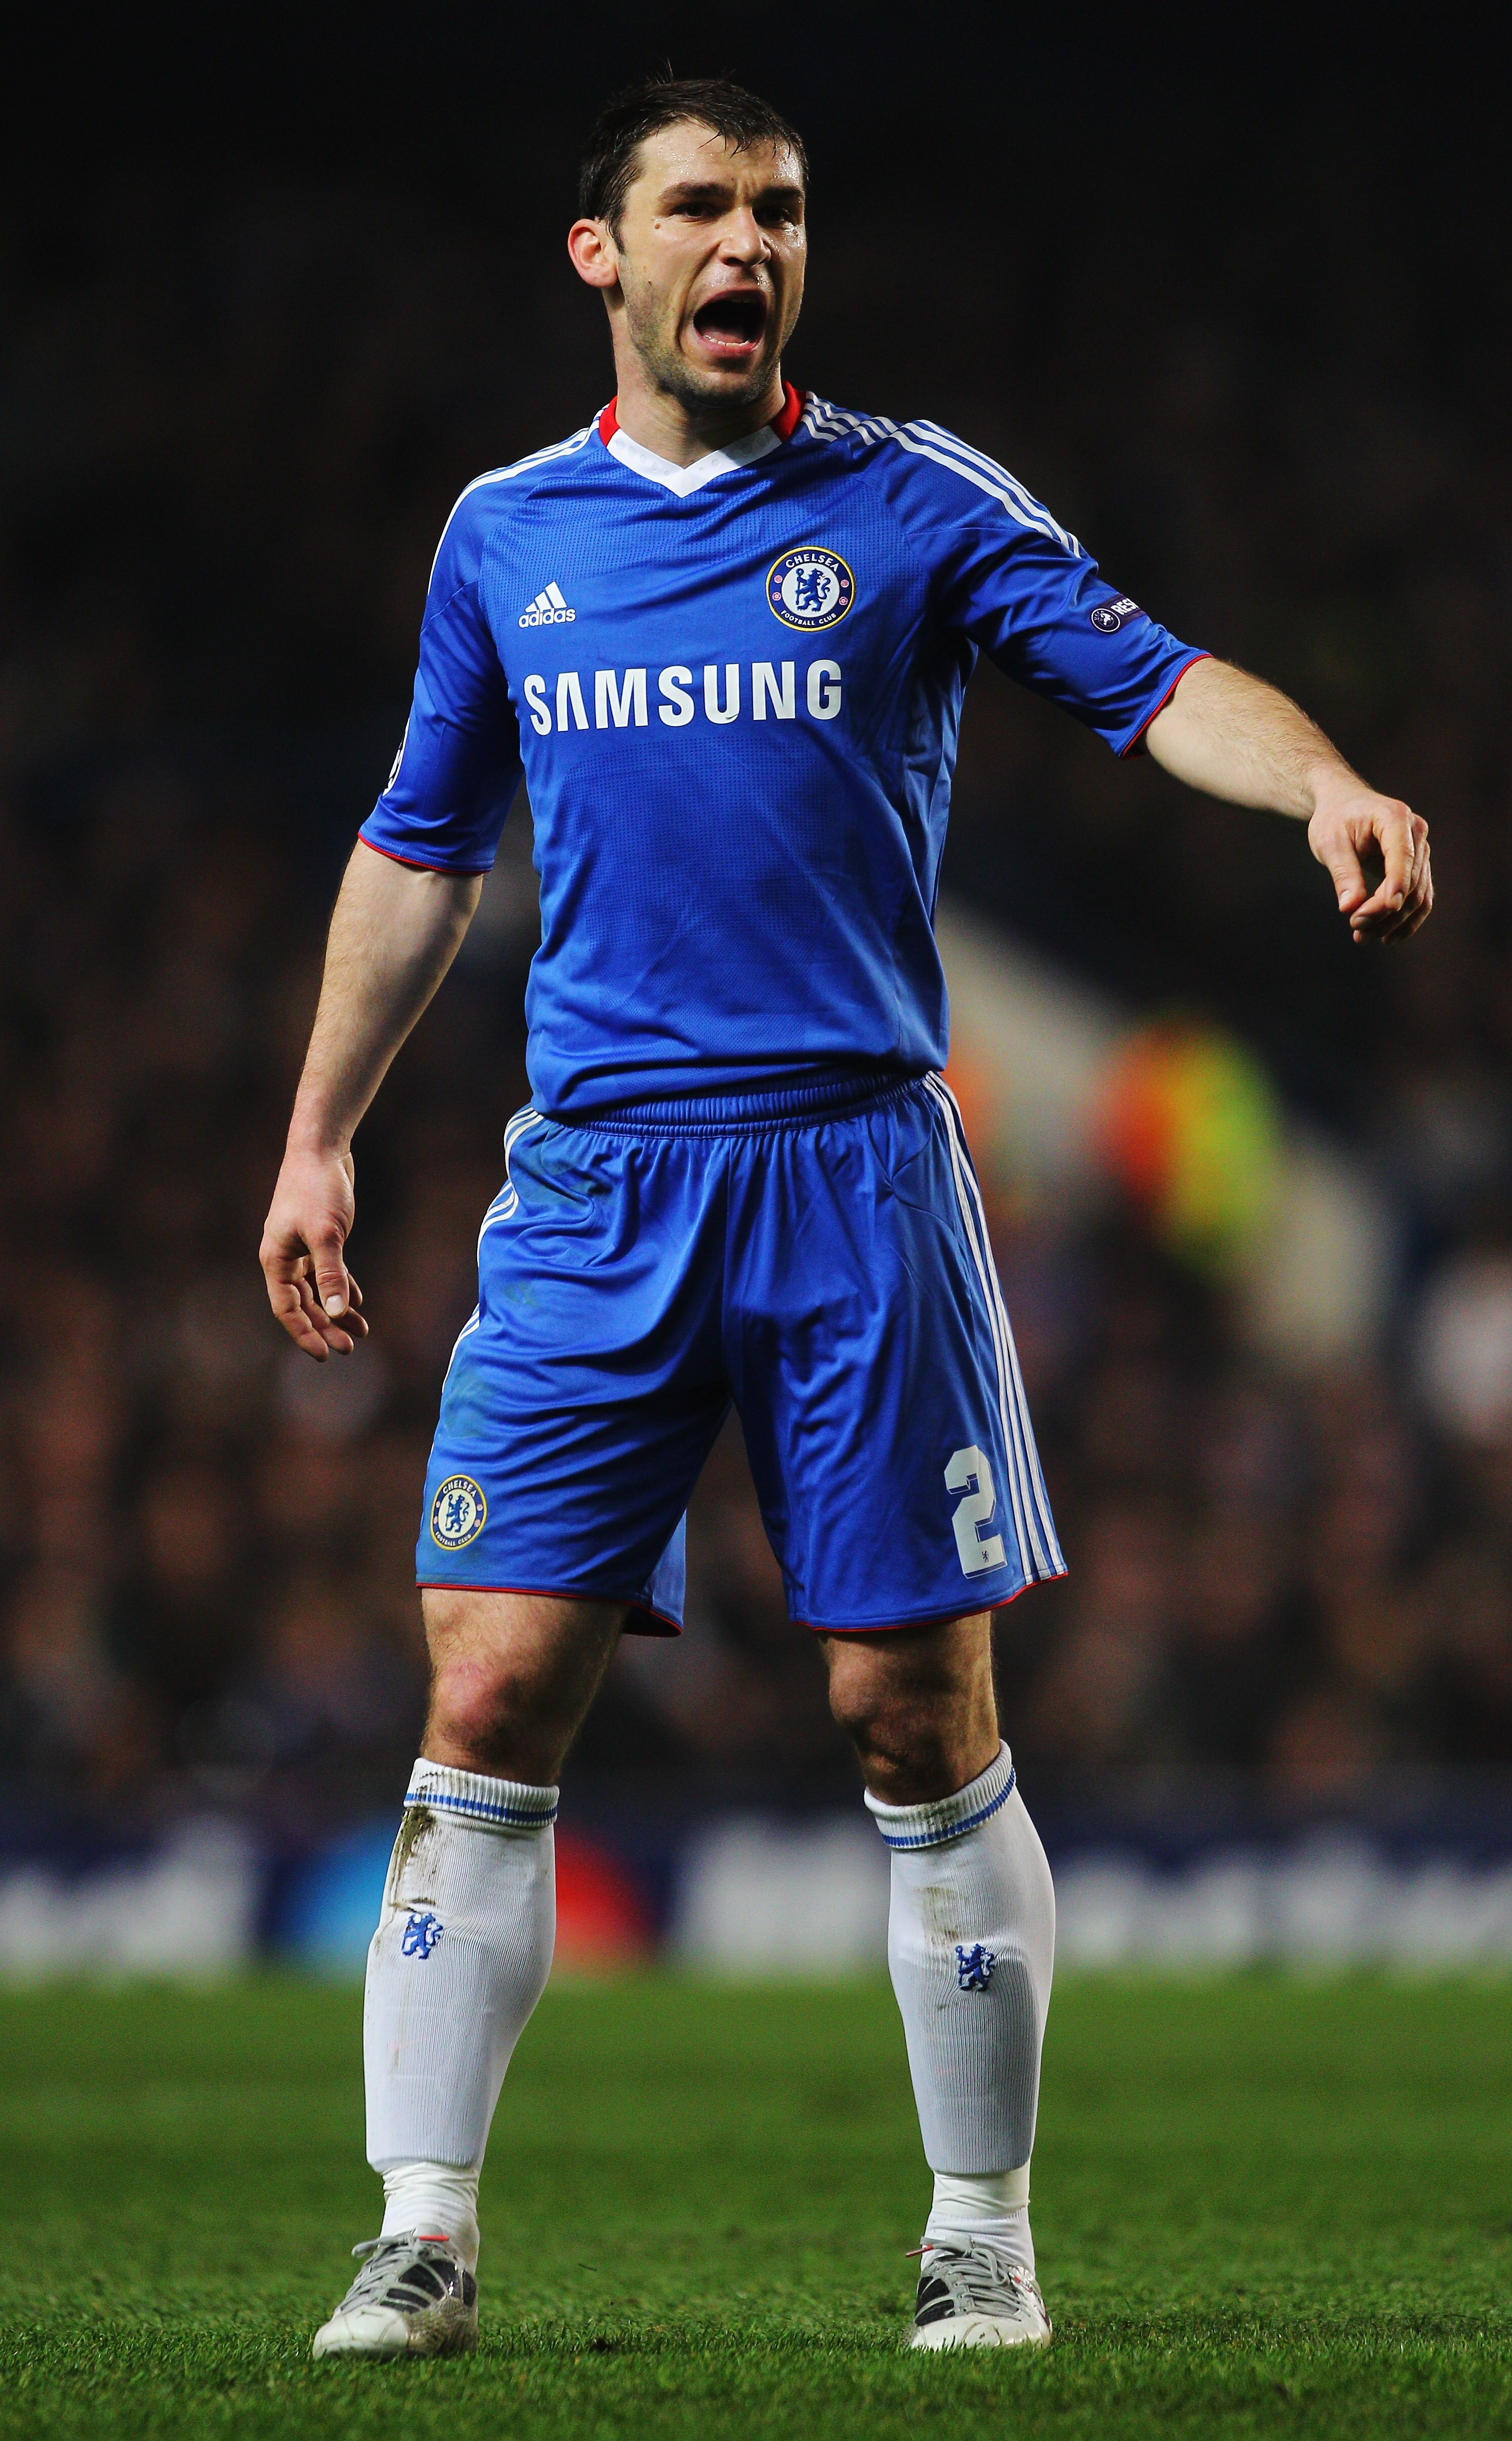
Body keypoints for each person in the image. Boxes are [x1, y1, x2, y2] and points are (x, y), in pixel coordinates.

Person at [260, 75, 1432, 2361]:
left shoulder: (907, 504)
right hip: (594, 1185)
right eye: (697, 205)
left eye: (779, 212)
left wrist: (1329, 780)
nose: (747, 243)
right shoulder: (505, 535)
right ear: (599, 251)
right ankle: (422, 2230)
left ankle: (979, 2229)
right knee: (488, 1689)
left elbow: (1158, 677)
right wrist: (318, 1132)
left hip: (857, 1181)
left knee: (910, 1715)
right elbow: (422, 849)